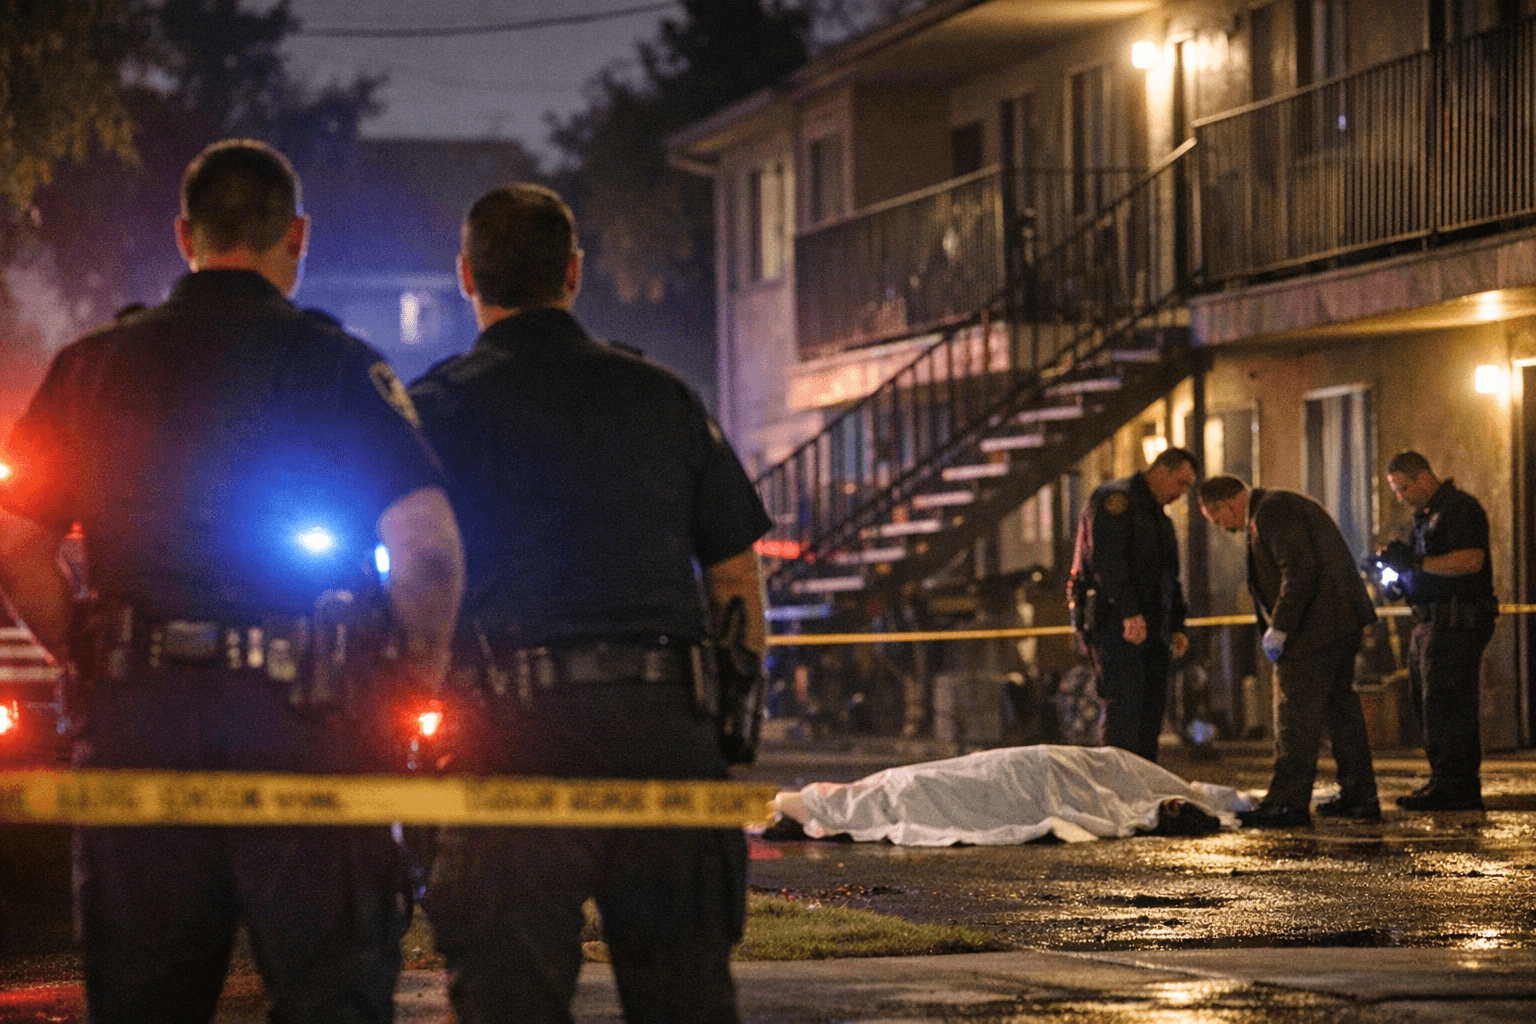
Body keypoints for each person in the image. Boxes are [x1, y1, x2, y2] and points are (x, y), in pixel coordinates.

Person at [0, 139, 465, 1024]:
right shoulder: (337, 365)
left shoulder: (90, 365)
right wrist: (411, 681)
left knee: (144, 999)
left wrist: (87, 658)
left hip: (140, 725)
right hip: (309, 724)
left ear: (186, 236)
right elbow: (429, 546)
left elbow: (15, 541)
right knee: (331, 994)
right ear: (297, 234)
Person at [409, 183, 772, 1024]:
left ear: (467, 276)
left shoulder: (437, 408)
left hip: (510, 740)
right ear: (574, 272)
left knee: (511, 1002)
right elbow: (735, 578)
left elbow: (415, 568)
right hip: (665, 733)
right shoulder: (663, 397)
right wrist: (727, 720)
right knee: (686, 999)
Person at [1199, 475, 1380, 827]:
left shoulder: (1271, 512)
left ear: (1228, 504)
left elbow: (1298, 569)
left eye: (1219, 519)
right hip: (1336, 624)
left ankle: (1287, 801)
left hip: (1315, 630)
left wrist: (1279, 627)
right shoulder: (1278, 506)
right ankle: (1359, 796)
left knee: (1295, 717)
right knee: (1341, 713)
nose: (1224, 528)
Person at [1379, 451, 1497, 811]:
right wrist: (1400, 579)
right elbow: (1426, 569)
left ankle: (1458, 786)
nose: (1400, 496)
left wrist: (1415, 563)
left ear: (1424, 478)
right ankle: (1443, 779)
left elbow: (1470, 561)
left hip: (1456, 622)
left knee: (1449, 704)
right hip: (1429, 622)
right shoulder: (1424, 518)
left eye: (1402, 488)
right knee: (1428, 704)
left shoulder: (1460, 509)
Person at [1067, 447, 1198, 763]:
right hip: (1116, 624)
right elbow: (1107, 562)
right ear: (1161, 472)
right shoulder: (1116, 502)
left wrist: (1177, 625)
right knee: (1124, 710)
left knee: (1150, 710)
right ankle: (1117, 790)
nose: (1181, 494)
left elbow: (1170, 576)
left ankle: (1142, 790)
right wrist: (1129, 612)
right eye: (1180, 483)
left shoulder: (1159, 517)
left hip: (1152, 627)